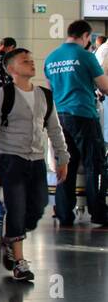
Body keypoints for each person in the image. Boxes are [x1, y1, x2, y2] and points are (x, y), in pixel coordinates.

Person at [0, 49, 69, 283]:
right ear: (11, 69)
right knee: (17, 208)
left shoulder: (44, 95)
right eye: (25, 61)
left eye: (32, 60)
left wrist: (62, 157)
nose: (31, 64)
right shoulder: (4, 95)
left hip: (37, 161)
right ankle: (19, 261)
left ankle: (11, 238)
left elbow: (54, 129)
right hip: (12, 160)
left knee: (38, 205)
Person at [44, 19, 108, 227]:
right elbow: (104, 86)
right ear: (86, 36)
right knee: (93, 165)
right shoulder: (86, 56)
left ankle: (64, 213)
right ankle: (98, 213)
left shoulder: (51, 57)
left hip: (59, 116)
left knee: (66, 164)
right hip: (84, 115)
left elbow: (50, 90)